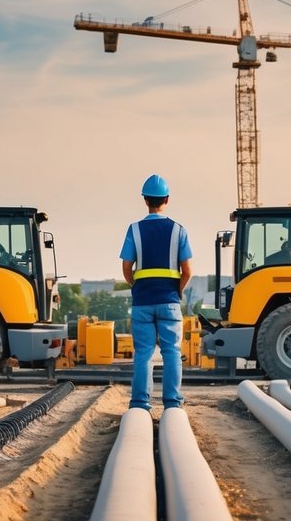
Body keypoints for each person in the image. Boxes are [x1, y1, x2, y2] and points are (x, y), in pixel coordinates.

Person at [119, 174, 193, 412]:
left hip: (142, 302)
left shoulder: (135, 230)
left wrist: (136, 287)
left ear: (145, 200)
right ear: (167, 199)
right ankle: (172, 403)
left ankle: (140, 404)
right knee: (172, 352)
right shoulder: (178, 231)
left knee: (143, 353)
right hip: (169, 301)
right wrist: (177, 291)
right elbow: (187, 270)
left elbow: (126, 267)